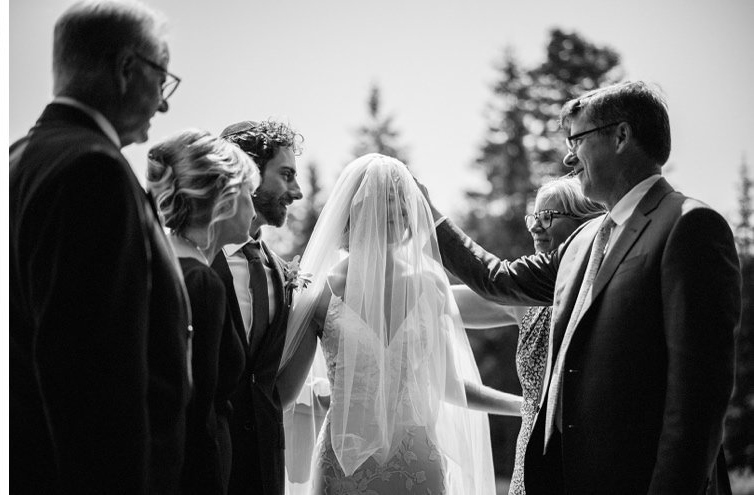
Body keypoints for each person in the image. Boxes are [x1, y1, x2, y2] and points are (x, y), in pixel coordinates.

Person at [423, 80, 739, 494]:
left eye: (577, 140)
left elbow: (698, 400)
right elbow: (497, 280)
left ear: (621, 136)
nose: (569, 157)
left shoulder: (689, 226)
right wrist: (427, 213)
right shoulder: (581, 241)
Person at [9, 1, 192, 493]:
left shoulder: (22, 157)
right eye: (163, 78)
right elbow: (94, 384)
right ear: (126, 68)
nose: (164, 102)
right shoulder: (93, 171)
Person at [279, 154, 522, 494]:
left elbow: (449, 386)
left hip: (418, 463)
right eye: (386, 201)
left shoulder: (430, 285)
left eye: (402, 201)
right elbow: (284, 392)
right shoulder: (319, 293)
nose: (398, 213)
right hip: (343, 467)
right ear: (353, 209)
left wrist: (526, 406)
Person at [450, 175, 605, 495]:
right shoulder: (524, 302)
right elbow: (439, 301)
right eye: (533, 217)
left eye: (547, 217)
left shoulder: (603, 289)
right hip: (532, 462)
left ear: (585, 223)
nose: (535, 226)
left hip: (589, 461)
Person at [147, 129, 259, 494]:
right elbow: (197, 415)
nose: (254, 209)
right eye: (248, 195)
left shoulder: (154, 262)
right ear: (225, 198)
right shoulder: (201, 284)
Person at [214, 119, 304, 495]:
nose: (297, 192)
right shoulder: (188, 262)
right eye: (286, 175)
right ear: (248, 173)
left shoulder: (283, 275)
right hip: (198, 468)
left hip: (264, 472)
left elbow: (271, 383)